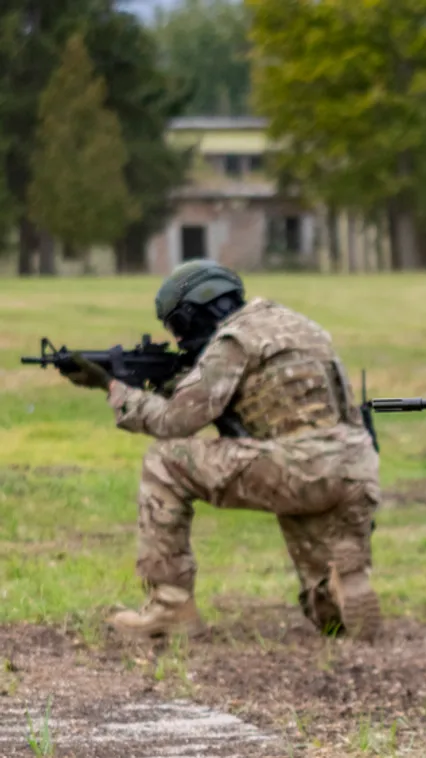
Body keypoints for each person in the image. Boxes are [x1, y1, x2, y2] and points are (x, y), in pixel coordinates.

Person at [58, 261, 381, 640]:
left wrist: (113, 388)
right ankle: (343, 583)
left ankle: (170, 605)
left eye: (179, 327)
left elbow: (175, 423)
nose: (180, 340)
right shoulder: (302, 327)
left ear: (198, 311)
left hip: (298, 467)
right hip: (354, 468)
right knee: (325, 617)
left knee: (164, 461)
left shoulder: (234, 340)